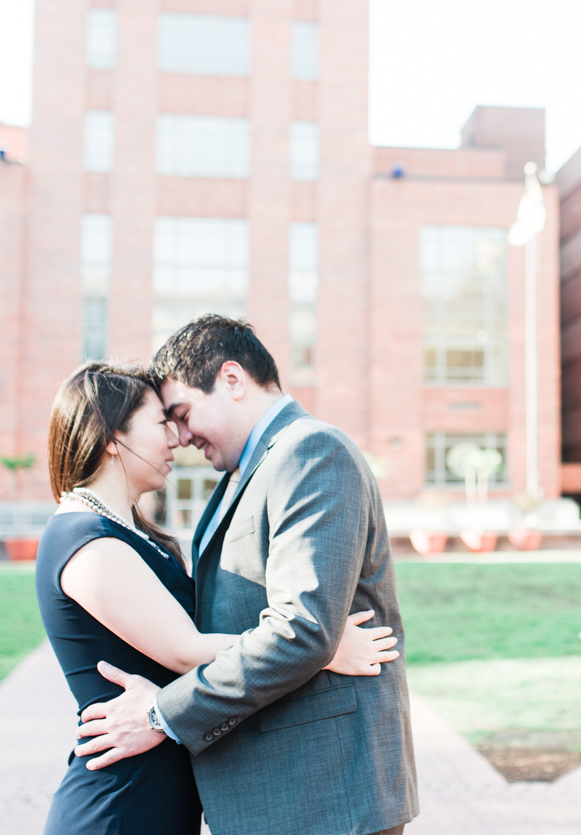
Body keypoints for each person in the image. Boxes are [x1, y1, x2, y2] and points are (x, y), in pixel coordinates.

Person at [73, 317, 419, 835]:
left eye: (184, 414)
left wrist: (160, 714)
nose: (182, 436)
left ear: (232, 380)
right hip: (283, 796)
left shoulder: (309, 452)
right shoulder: (247, 471)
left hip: (323, 798)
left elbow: (302, 632)